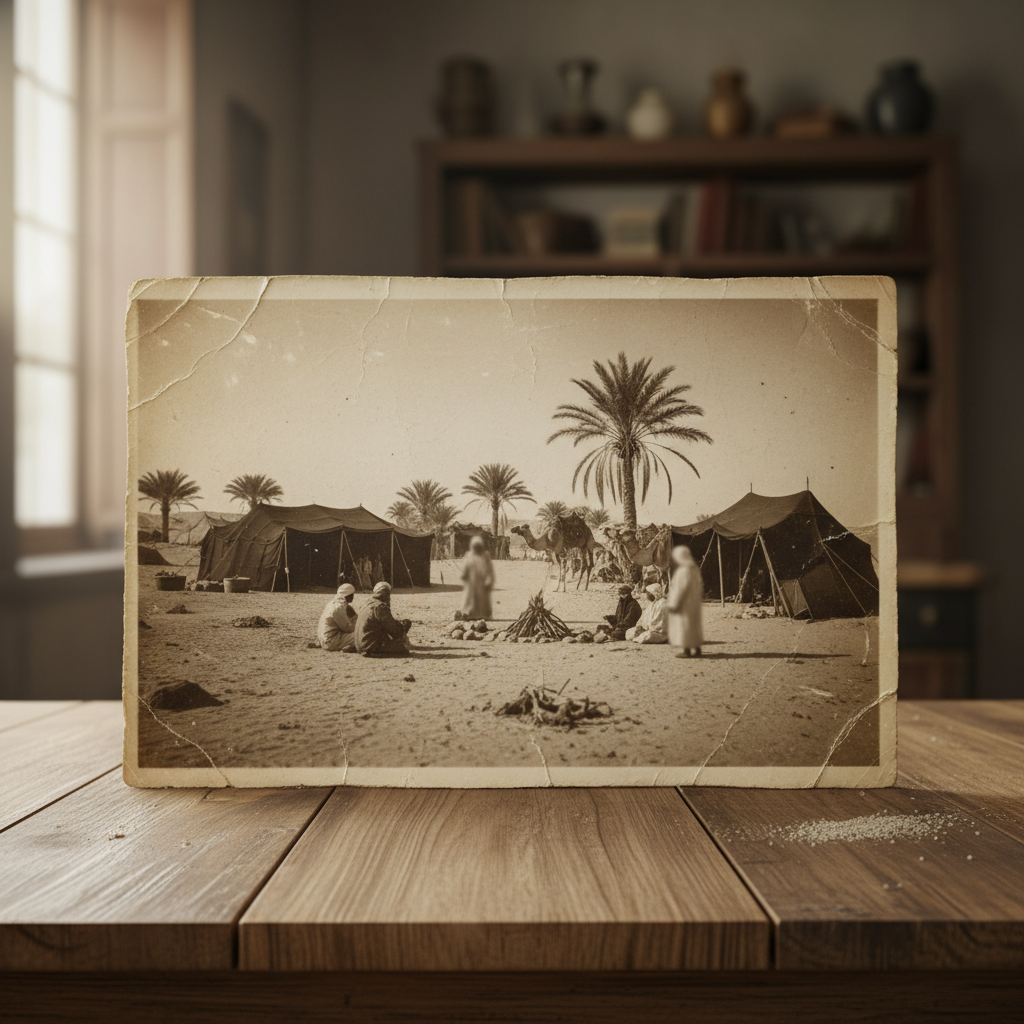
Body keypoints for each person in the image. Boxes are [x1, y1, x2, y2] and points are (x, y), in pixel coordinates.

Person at [354, 581, 412, 656]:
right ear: (386, 595)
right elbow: (394, 629)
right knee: (403, 650)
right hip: (370, 647)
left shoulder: (367, 604)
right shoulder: (380, 607)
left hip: (360, 646)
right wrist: (403, 627)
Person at [668, 545, 704, 656]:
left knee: (684, 625)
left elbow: (680, 589)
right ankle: (697, 649)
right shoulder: (694, 569)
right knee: (694, 625)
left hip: (684, 603)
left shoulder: (683, 571)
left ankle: (686, 650)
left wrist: (675, 603)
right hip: (694, 602)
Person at [460, 535, 494, 620]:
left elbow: (489, 570)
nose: (477, 548)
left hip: (482, 581)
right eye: (475, 546)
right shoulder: (469, 556)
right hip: (472, 581)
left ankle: (484, 615)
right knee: (471, 598)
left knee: (483, 599)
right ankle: (470, 614)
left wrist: (489, 580)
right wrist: (464, 574)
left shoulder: (485, 556)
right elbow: (466, 567)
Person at [317, 583, 358, 652]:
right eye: (352, 595)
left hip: (324, 639)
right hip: (331, 641)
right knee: (362, 635)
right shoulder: (339, 607)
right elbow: (347, 628)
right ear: (348, 595)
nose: (353, 597)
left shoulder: (332, 603)